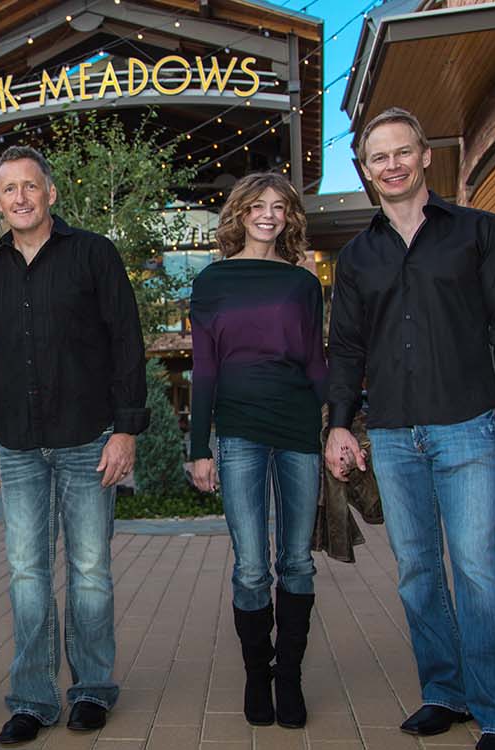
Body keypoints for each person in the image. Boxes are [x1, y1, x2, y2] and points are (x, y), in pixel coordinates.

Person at [325, 107, 495, 750]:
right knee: (418, 571)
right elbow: (346, 351)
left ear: (425, 157)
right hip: (391, 436)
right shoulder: (357, 256)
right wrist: (339, 427)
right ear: (365, 170)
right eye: (377, 157)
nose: (391, 165)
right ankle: (444, 692)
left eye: (401, 152)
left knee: (479, 569)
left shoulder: (479, 232)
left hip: (469, 427)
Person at [0, 145, 148, 745]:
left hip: (88, 438)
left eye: (30, 186)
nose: (20, 198)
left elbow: (127, 340)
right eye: (8, 189)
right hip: (18, 445)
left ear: (50, 193)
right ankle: (32, 698)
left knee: (91, 571)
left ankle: (93, 689)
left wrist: (126, 429)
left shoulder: (94, 253)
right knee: (25, 574)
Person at [187, 172, 325, 730]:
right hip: (239, 431)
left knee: (296, 561)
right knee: (250, 567)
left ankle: (288, 677)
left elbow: (317, 362)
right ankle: (256, 675)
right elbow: (204, 369)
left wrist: (339, 424)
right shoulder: (213, 281)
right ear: (240, 214)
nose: (269, 214)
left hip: (298, 432)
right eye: (258, 206)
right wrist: (200, 447)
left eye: (280, 207)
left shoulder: (303, 282)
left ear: (290, 217)